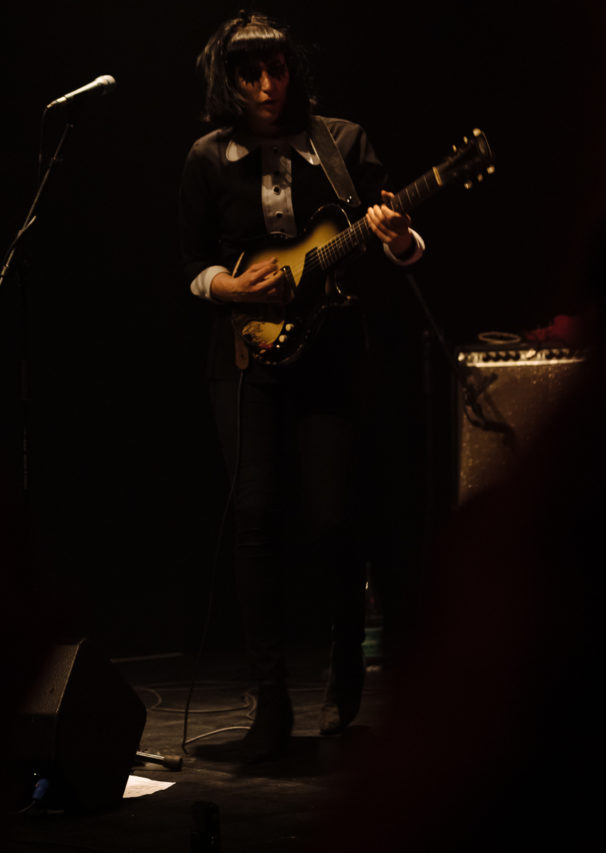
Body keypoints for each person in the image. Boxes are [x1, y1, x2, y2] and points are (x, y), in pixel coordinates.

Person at [179, 12, 426, 762]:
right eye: (251, 74)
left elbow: (396, 234)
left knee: (332, 518)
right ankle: (272, 701)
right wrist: (228, 286)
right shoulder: (207, 157)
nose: (267, 85)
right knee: (254, 517)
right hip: (246, 357)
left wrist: (400, 237)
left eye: (277, 70)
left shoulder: (341, 141)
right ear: (227, 80)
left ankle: (345, 662)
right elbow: (190, 263)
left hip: (331, 356)